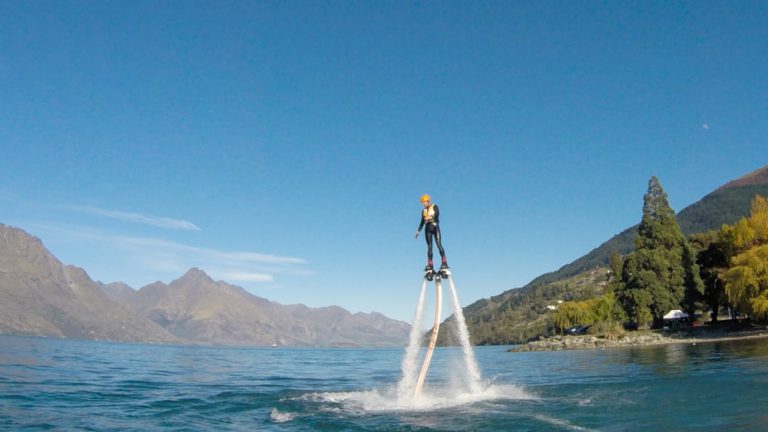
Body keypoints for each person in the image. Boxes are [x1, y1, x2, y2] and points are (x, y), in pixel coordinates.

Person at [415, 194, 448, 271]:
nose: (423, 204)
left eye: (424, 202)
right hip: (427, 228)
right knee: (429, 246)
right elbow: (422, 222)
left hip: (435, 226)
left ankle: (444, 262)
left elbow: (437, 214)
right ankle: (430, 264)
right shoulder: (423, 211)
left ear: (428, 201)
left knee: (438, 244)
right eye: (422, 202)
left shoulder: (434, 206)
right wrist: (418, 230)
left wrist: (431, 217)